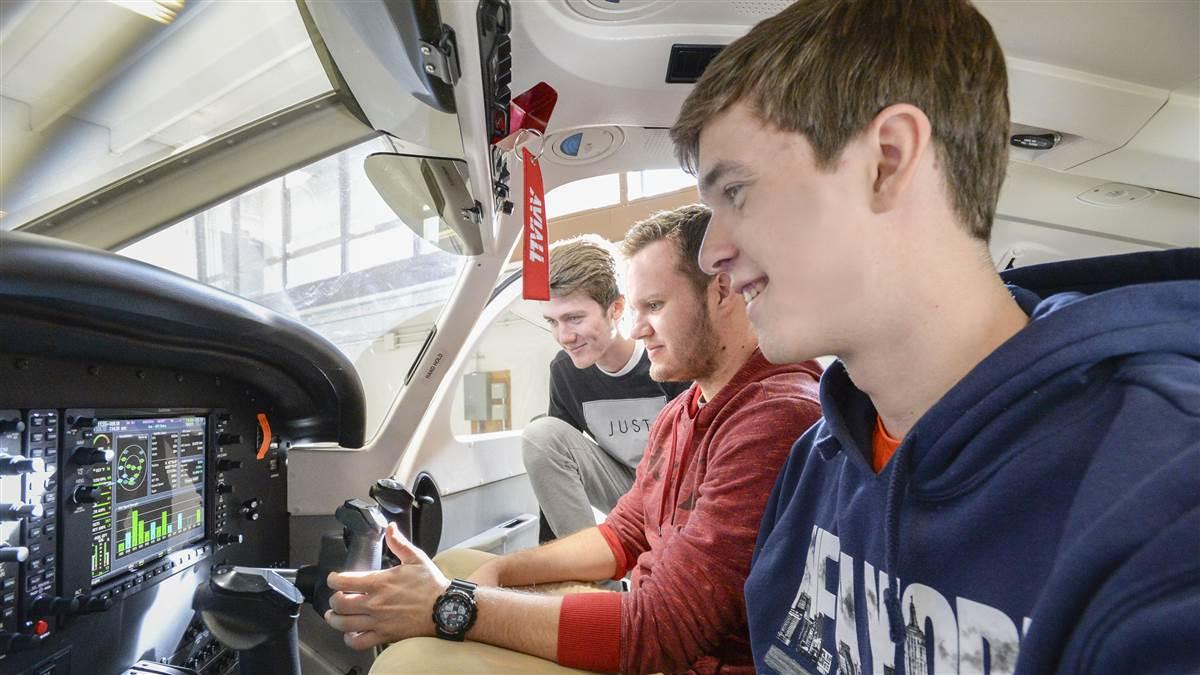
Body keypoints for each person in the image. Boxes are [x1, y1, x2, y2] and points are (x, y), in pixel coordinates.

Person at [676, 2, 1200, 674]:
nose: (710, 253)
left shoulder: (1163, 498)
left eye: (738, 192)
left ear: (887, 160)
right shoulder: (815, 467)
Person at [324, 205, 824, 674]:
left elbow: (659, 632)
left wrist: (448, 605)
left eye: (654, 305)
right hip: (644, 615)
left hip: (674, 654)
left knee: (410, 664)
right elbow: (620, 536)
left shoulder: (774, 416)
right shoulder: (681, 412)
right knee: (456, 566)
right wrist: (501, 573)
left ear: (722, 291)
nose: (641, 327)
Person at [526, 235, 689, 543]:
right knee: (541, 434)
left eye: (574, 318)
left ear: (616, 309)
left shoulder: (669, 359)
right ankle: (589, 580)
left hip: (681, 499)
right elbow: (552, 469)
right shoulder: (565, 372)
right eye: (552, 322)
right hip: (628, 493)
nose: (564, 336)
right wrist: (548, 561)